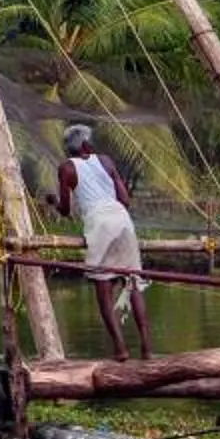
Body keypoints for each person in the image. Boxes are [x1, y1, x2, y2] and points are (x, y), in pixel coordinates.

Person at [54, 121, 153, 360]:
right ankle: (147, 349)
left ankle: (120, 349)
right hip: (122, 220)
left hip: (98, 225)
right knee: (133, 283)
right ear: (86, 144)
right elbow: (125, 200)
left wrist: (53, 202)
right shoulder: (106, 161)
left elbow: (66, 210)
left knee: (103, 288)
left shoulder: (66, 168)